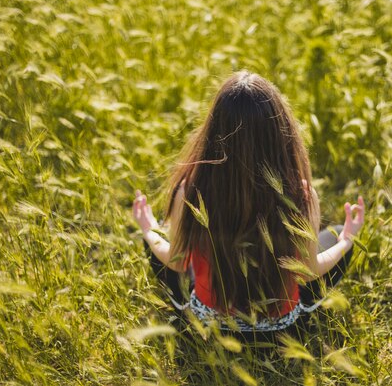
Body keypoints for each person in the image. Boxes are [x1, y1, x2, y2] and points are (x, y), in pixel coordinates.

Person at [132, 70, 365, 341]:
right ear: (281, 133)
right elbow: (310, 270)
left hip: (208, 327)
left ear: (213, 131)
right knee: (335, 233)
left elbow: (177, 260)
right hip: (281, 329)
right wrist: (347, 239)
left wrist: (148, 230)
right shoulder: (302, 196)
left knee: (158, 239)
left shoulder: (191, 189)